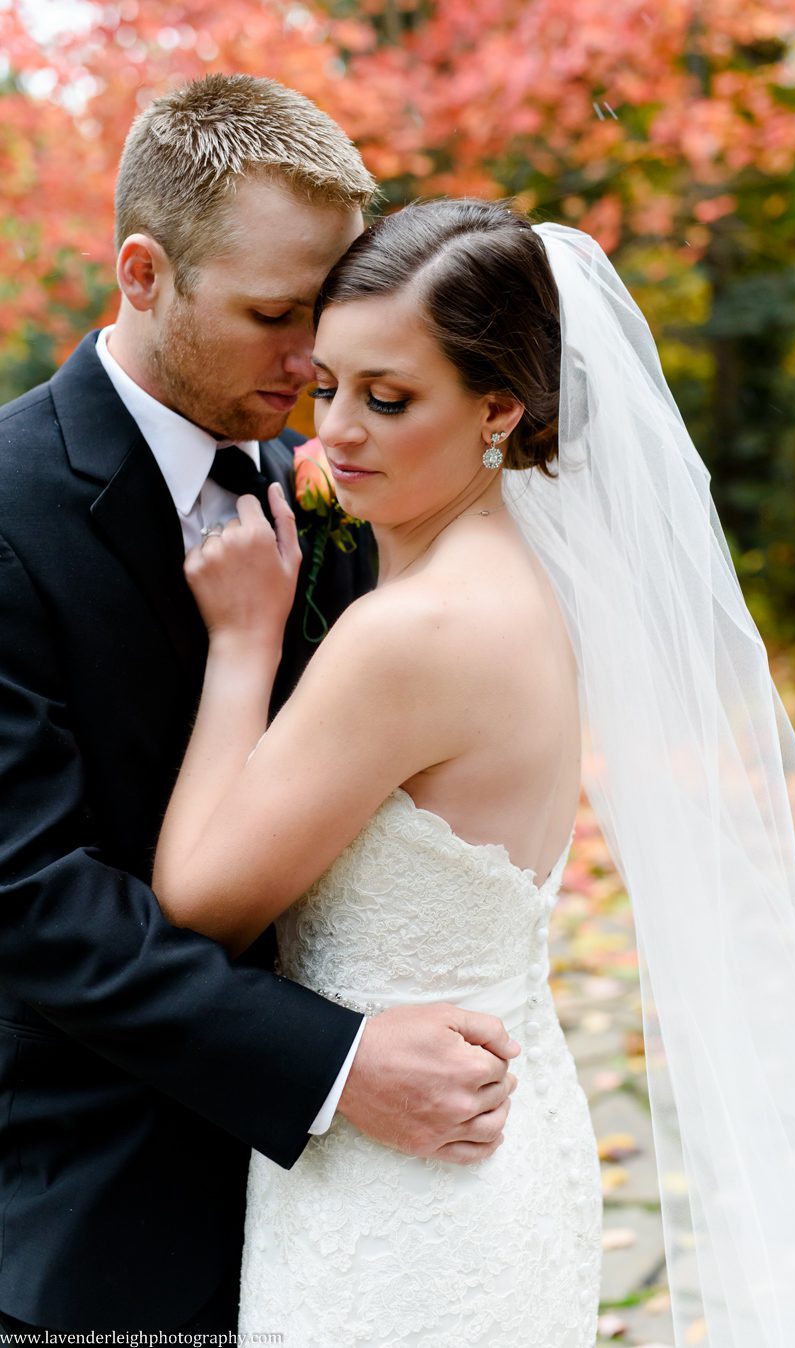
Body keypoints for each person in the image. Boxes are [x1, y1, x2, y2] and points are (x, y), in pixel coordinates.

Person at [156, 196, 795, 1348]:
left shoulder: (411, 635)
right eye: (328, 386)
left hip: (400, 1192)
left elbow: (199, 898)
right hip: (512, 1136)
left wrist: (243, 647)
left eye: (388, 399)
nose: (335, 431)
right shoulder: (533, 578)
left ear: (499, 408)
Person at [0, 82, 519, 1336]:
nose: (309, 370)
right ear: (143, 273)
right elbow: (27, 896)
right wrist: (332, 1065)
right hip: (98, 1210)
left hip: (370, 1214)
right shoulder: (10, 510)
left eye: (324, 318)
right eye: (274, 316)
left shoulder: (338, 484)